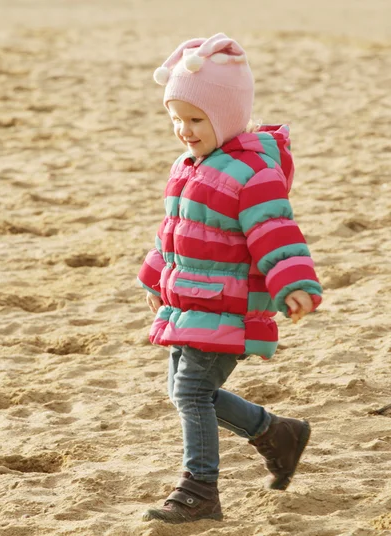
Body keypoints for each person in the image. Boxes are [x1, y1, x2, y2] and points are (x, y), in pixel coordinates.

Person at [137, 33, 323, 524]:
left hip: (228, 304)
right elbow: (173, 233)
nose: (184, 129)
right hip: (189, 301)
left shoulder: (253, 173)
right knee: (188, 389)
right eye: (176, 118)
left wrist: (293, 284)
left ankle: (200, 488)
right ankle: (276, 434)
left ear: (227, 115)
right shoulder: (188, 166)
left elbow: (275, 232)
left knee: (190, 393)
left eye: (196, 119)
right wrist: (155, 280)